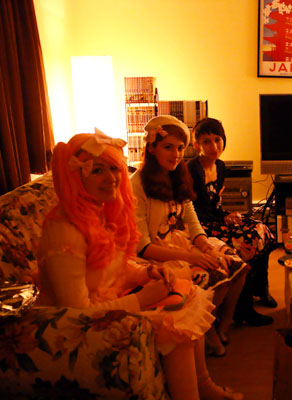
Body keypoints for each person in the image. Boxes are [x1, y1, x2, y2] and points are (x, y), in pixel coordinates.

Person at [36, 130, 243, 400]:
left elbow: (112, 269)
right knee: (173, 322)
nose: (111, 178)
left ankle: (202, 385)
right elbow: (77, 313)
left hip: (107, 299)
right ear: (75, 176)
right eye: (97, 170)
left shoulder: (98, 211)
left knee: (188, 295)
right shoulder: (64, 230)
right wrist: (143, 298)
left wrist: (146, 273)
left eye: (114, 168)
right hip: (72, 326)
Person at [130, 115, 248, 357]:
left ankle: (220, 325)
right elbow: (143, 246)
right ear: (151, 148)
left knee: (235, 264)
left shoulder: (178, 174)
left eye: (180, 148)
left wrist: (206, 246)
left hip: (181, 242)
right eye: (168, 147)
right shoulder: (137, 184)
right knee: (213, 273)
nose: (176, 154)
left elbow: (192, 219)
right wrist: (193, 257)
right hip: (155, 253)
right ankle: (209, 331)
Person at [188, 117, 277, 327]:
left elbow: (214, 203)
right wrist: (222, 218)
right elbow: (195, 211)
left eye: (217, 140)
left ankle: (260, 286)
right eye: (206, 141)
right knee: (247, 240)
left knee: (261, 229)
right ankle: (243, 308)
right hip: (201, 226)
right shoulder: (192, 170)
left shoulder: (220, 166)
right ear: (196, 145)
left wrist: (226, 215)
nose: (213, 146)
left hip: (215, 218)